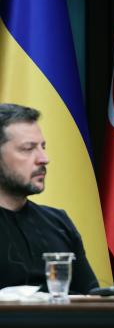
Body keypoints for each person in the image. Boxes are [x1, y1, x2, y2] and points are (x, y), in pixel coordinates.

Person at [0, 103, 98, 293]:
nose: (44, 158)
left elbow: (89, 296)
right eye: (28, 149)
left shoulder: (57, 222)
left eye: (43, 147)